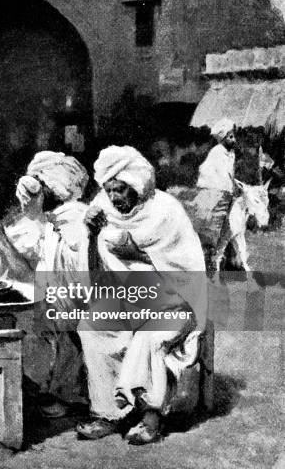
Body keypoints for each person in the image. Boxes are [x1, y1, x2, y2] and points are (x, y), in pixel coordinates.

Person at [77, 145, 207, 445]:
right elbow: (97, 278)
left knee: (150, 336)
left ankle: (151, 418)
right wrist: (93, 236)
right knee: (93, 325)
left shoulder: (166, 211)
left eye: (120, 190)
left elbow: (190, 276)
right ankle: (108, 414)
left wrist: (139, 254)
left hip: (178, 304)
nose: (114, 198)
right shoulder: (104, 212)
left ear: (136, 184)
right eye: (109, 190)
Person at [0, 151, 91, 417]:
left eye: (34, 188)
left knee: (29, 316)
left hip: (82, 305)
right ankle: (23, 386)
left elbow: (62, 285)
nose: (24, 195)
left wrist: (0, 235)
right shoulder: (47, 223)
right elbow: (32, 275)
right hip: (59, 299)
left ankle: (45, 391)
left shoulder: (71, 222)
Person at [194, 118, 239, 272]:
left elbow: (230, 175)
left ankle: (222, 258)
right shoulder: (217, 153)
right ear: (223, 138)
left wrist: (235, 186)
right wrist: (229, 189)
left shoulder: (231, 154)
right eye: (230, 136)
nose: (234, 139)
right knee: (212, 228)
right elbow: (221, 176)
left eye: (233, 136)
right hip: (214, 192)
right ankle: (208, 261)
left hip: (225, 193)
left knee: (227, 227)